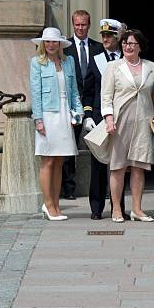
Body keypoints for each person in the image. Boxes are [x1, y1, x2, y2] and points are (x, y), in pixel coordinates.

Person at [101, 29, 154, 222]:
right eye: (125, 43)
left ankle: (137, 209)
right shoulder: (113, 66)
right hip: (121, 121)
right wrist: (109, 119)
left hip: (144, 121)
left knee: (139, 166)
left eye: (132, 43)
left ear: (139, 46)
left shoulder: (151, 66)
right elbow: (106, 96)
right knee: (118, 166)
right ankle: (117, 209)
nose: (128, 47)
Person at [29, 27, 84, 221]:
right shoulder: (37, 63)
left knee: (60, 161)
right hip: (47, 114)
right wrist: (38, 119)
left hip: (64, 113)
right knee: (48, 160)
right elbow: (35, 93)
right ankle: (48, 204)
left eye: (54, 41)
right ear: (43, 44)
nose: (51, 45)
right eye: (48, 41)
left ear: (60, 43)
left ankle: (56, 205)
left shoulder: (68, 62)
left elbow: (74, 91)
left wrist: (78, 113)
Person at [81, 18, 127, 220]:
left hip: (122, 117)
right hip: (100, 118)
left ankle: (120, 207)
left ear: (119, 37)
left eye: (110, 35)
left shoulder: (127, 57)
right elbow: (89, 91)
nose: (106, 39)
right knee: (98, 164)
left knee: (120, 164)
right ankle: (96, 207)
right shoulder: (96, 58)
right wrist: (88, 114)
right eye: (104, 35)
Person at [62, 10, 103, 200]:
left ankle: (103, 189)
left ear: (89, 25)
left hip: (94, 105)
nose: (80, 28)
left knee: (100, 147)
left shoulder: (99, 48)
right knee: (69, 148)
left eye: (84, 24)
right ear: (73, 25)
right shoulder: (65, 48)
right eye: (77, 25)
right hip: (72, 105)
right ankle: (69, 189)